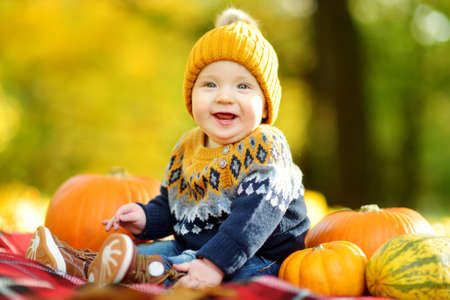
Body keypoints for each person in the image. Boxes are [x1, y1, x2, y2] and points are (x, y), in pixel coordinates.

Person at [26, 8, 310, 289]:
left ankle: (138, 273)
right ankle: (83, 264)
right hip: (197, 246)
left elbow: (254, 219)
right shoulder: (188, 147)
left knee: (182, 263)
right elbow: (173, 204)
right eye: (210, 84)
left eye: (243, 87)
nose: (224, 96)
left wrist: (212, 264)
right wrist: (146, 217)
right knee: (148, 253)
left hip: (262, 256)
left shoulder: (267, 146)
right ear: (191, 96)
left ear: (265, 105)